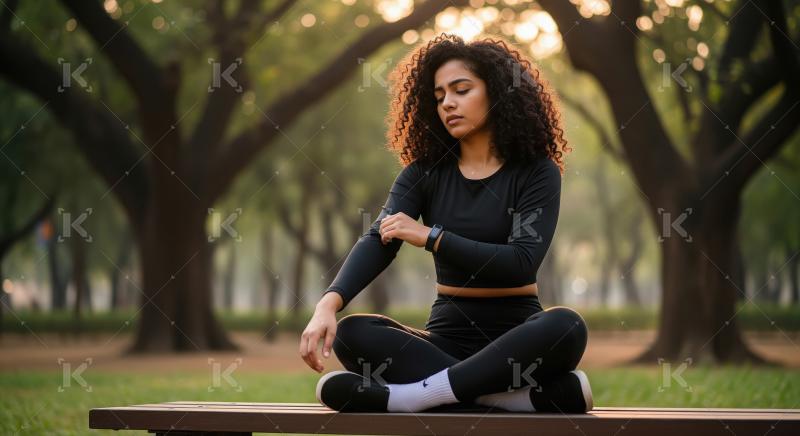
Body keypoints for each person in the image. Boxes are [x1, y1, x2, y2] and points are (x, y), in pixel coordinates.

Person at [300, 33, 591, 414]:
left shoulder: (537, 171)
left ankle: (412, 397)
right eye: (439, 96)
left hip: (517, 340)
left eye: (461, 90)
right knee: (354, 334)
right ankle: (503, 397)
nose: (448, 103)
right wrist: (327, 304)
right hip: (444, 340)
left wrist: (432, 237)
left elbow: (521, 261)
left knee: (566, 326)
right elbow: (379, 237)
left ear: (498, 92)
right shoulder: (424, 173)